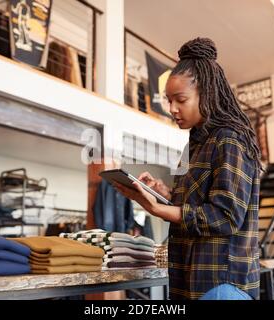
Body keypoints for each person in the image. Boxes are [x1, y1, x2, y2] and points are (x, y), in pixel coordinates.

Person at [112, 37, 262, 300]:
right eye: (169, 100)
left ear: (207, 93)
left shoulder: (229, 139)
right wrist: (163, 194)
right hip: (191, 282)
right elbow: (195, 204)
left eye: (180, 99)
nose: (172, 109)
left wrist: (158, 209)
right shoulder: (194, 145)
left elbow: (225, 216)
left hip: (220, 285)